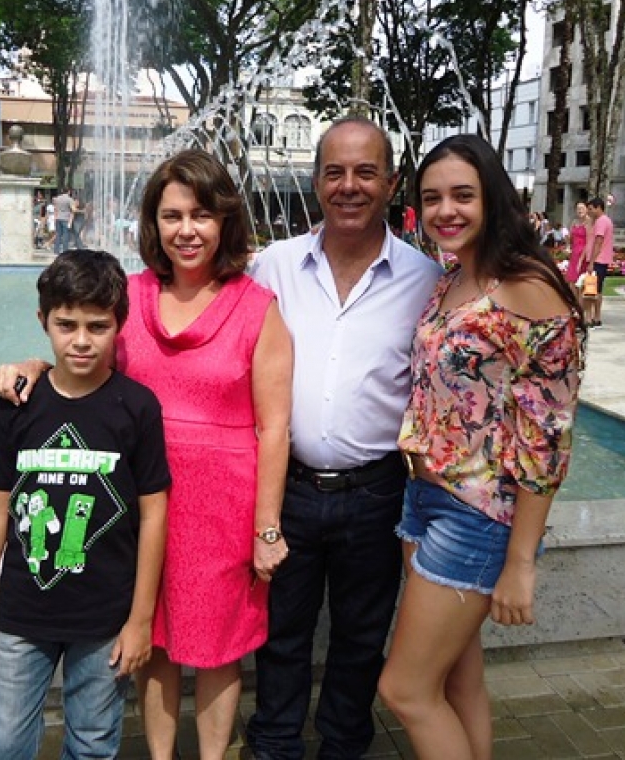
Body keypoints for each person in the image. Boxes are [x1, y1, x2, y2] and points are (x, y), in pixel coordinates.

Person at [0, 149, 293, 760]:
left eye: (201, 215)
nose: (187, 230)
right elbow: (81, 358)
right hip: (134, 507)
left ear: (225, 220)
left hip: (222, 508)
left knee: (218, 648)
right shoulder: (130, 297)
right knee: (153, 639)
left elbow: (276, 426)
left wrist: (266, 528)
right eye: (171, 215)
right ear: (153, 222)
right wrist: (33, 365)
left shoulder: (258, 308)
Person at [378, 134, 584, 760]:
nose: (446, 210)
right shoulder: (453, 276)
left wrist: (521, 563)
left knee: (405, 690)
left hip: (479, 516)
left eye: (462, 195)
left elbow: (547, 440)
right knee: (457, 678)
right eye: (432, 197)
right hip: (425, 498)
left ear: (492, 197)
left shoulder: (528, 287)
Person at [245, 117, 441, 760]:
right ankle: (274, 745)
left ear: (390, 182)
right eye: (334, 172)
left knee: (360, 638)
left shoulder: (425, 280)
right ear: (316, 182)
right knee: (281, 634)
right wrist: (56, 370)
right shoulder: (274, 267)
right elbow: (202, 327)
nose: (348, 186)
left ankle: (344, 747)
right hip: (290, 489)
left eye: (364, 172)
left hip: (377, 494)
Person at [0, 249, 170, 760]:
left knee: (93, 742)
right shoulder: (18, 402)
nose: (81, 340)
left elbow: (153, 513)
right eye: (67, 325)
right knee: (4, 741)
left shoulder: (137, 408)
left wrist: (140, 619)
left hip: (105, 616)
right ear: (43, 321)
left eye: (97, 326)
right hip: (21, 611)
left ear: (119, 325)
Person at [585, 196, 613, 327]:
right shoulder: (605, 220)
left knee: (591, 289)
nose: (589, 211)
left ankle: (590, 317)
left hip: (598, 260)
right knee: (598, 290)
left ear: (599, 208)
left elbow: (598, 242)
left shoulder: (601, 221)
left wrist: (591, 262)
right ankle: (597, 317)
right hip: (602, 260)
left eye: (591, 209)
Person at [565, 201, 590, 298]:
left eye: (582, 208)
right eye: (578, 209)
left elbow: (589, 242)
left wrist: (581, 259)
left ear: (587, 209)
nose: (580, 211)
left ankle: (580, 304)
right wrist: (568, 244)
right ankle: (574, 303)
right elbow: (570, 239)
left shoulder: (589, 222)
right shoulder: (574, 222)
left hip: (584, 255)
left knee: (581, 282)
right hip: (574, 254)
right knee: (571, 281)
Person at [53, 187, 74, 254]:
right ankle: (65, 251)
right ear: (68, 192)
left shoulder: (57, 198)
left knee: (58, 235)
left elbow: (55, 209)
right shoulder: (70, 199)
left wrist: (55, 218)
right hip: (66, 218)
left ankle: (56, 250)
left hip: (58, 218)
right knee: (65, 235)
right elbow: (73, 209)